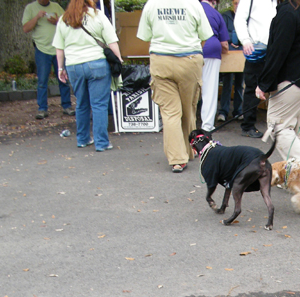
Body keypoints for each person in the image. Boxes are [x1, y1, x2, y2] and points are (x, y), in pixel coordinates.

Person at [137, 0, 213, 173]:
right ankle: (189, 149)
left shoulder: (151, 4)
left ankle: (177, 159)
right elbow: (205, 35)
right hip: (189, 59)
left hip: (161, 59)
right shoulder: (193, 4)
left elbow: (145, 36)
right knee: (188, 108)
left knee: (170, 112)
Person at [255, 0, 300, 162]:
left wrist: (264, 83)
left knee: (279, 128)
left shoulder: (288, 12)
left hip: (295, 81)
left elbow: (277, 52)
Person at [53, 0, 121, 152]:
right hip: (97, 64)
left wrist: (60, 68)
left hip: (73, 65)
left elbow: (59, 47)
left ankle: (83, 139)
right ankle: (101, 142)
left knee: (81, 103)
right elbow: (112, 41)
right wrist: (119, 60)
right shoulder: (98, 16)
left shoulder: (64, 19)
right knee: (99, 105)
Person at [22, 0, 75, 120]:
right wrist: (37, 17)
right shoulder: (30, 8)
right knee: (42, 81)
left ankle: (66, 106)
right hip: (42, 49)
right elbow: (26, 28)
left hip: (58, 49)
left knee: (63, 79)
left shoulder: (56, 6)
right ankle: (42, 108)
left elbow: (69, 23)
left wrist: (57, 22)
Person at [234, 0, 277, 137]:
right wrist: (245, 40)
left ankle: (274, 125)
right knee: (252, 88)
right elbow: (239, 19)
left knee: (275, 86)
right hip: (256, 47)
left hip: (273, 47)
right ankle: (248, 125)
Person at [200, 0, 230, 132]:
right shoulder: (216, 14)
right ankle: (207, 126)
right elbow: (224, 44)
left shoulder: (192, 8)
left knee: (189, 89)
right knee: (209, 90)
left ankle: (186, 123)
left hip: (191, 51)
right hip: (212, 51)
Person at [218, 0, 245, 123]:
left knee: (240, 84)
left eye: (239, 3)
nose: (237, 6)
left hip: (241, 54)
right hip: (229, 54)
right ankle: (223, 111)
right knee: (227, 84)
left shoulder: (245, 16)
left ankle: (238, 111)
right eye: (235, 3)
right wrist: (232, 40)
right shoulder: (225, 16)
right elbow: (221, 32)